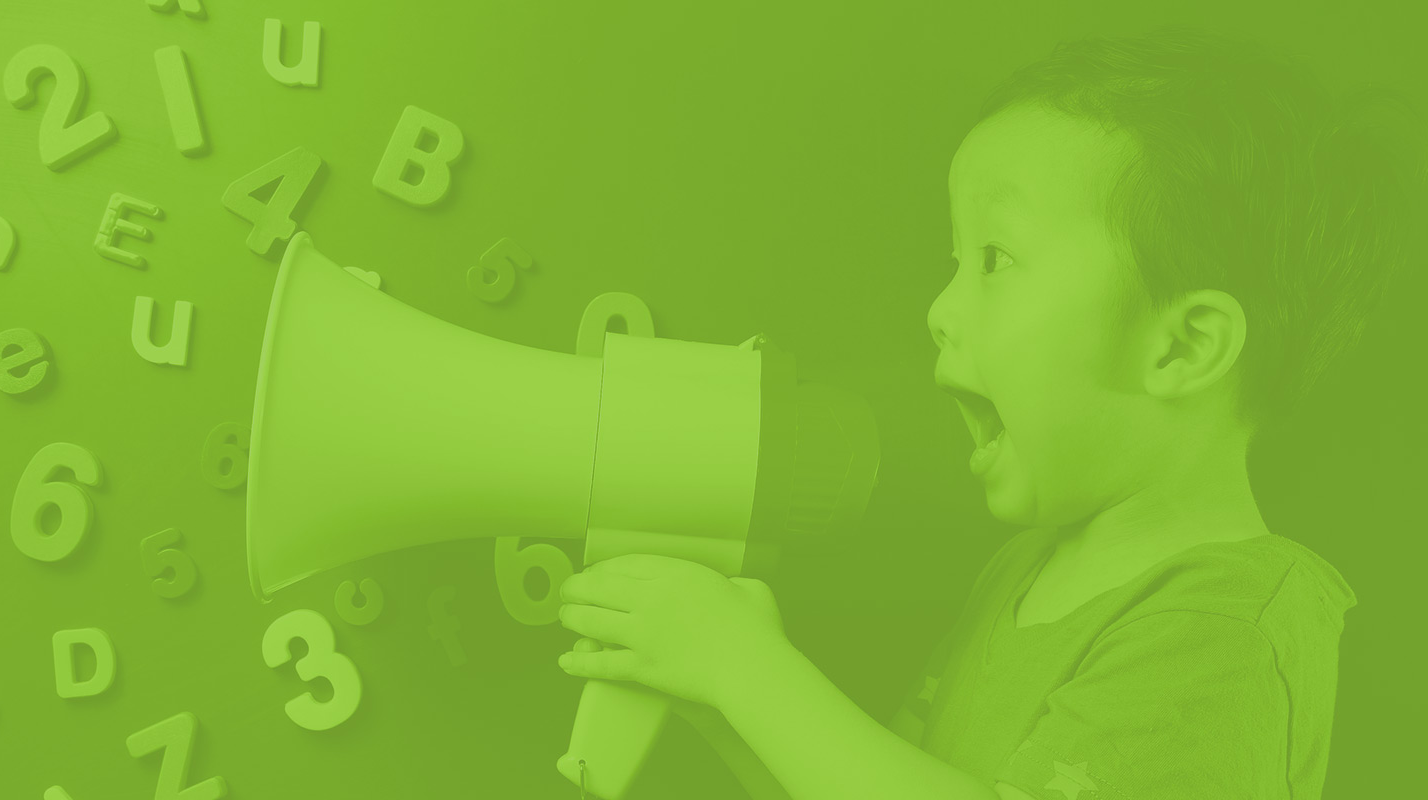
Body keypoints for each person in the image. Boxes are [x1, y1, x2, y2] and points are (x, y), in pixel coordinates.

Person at [555, 27, 1423, 799]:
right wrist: (720, 697)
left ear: (1182, 348)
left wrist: (747, 672)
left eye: (996, 260)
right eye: (954, 260)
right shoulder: (1022, 570)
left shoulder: (1227, 625)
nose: (940, 308)